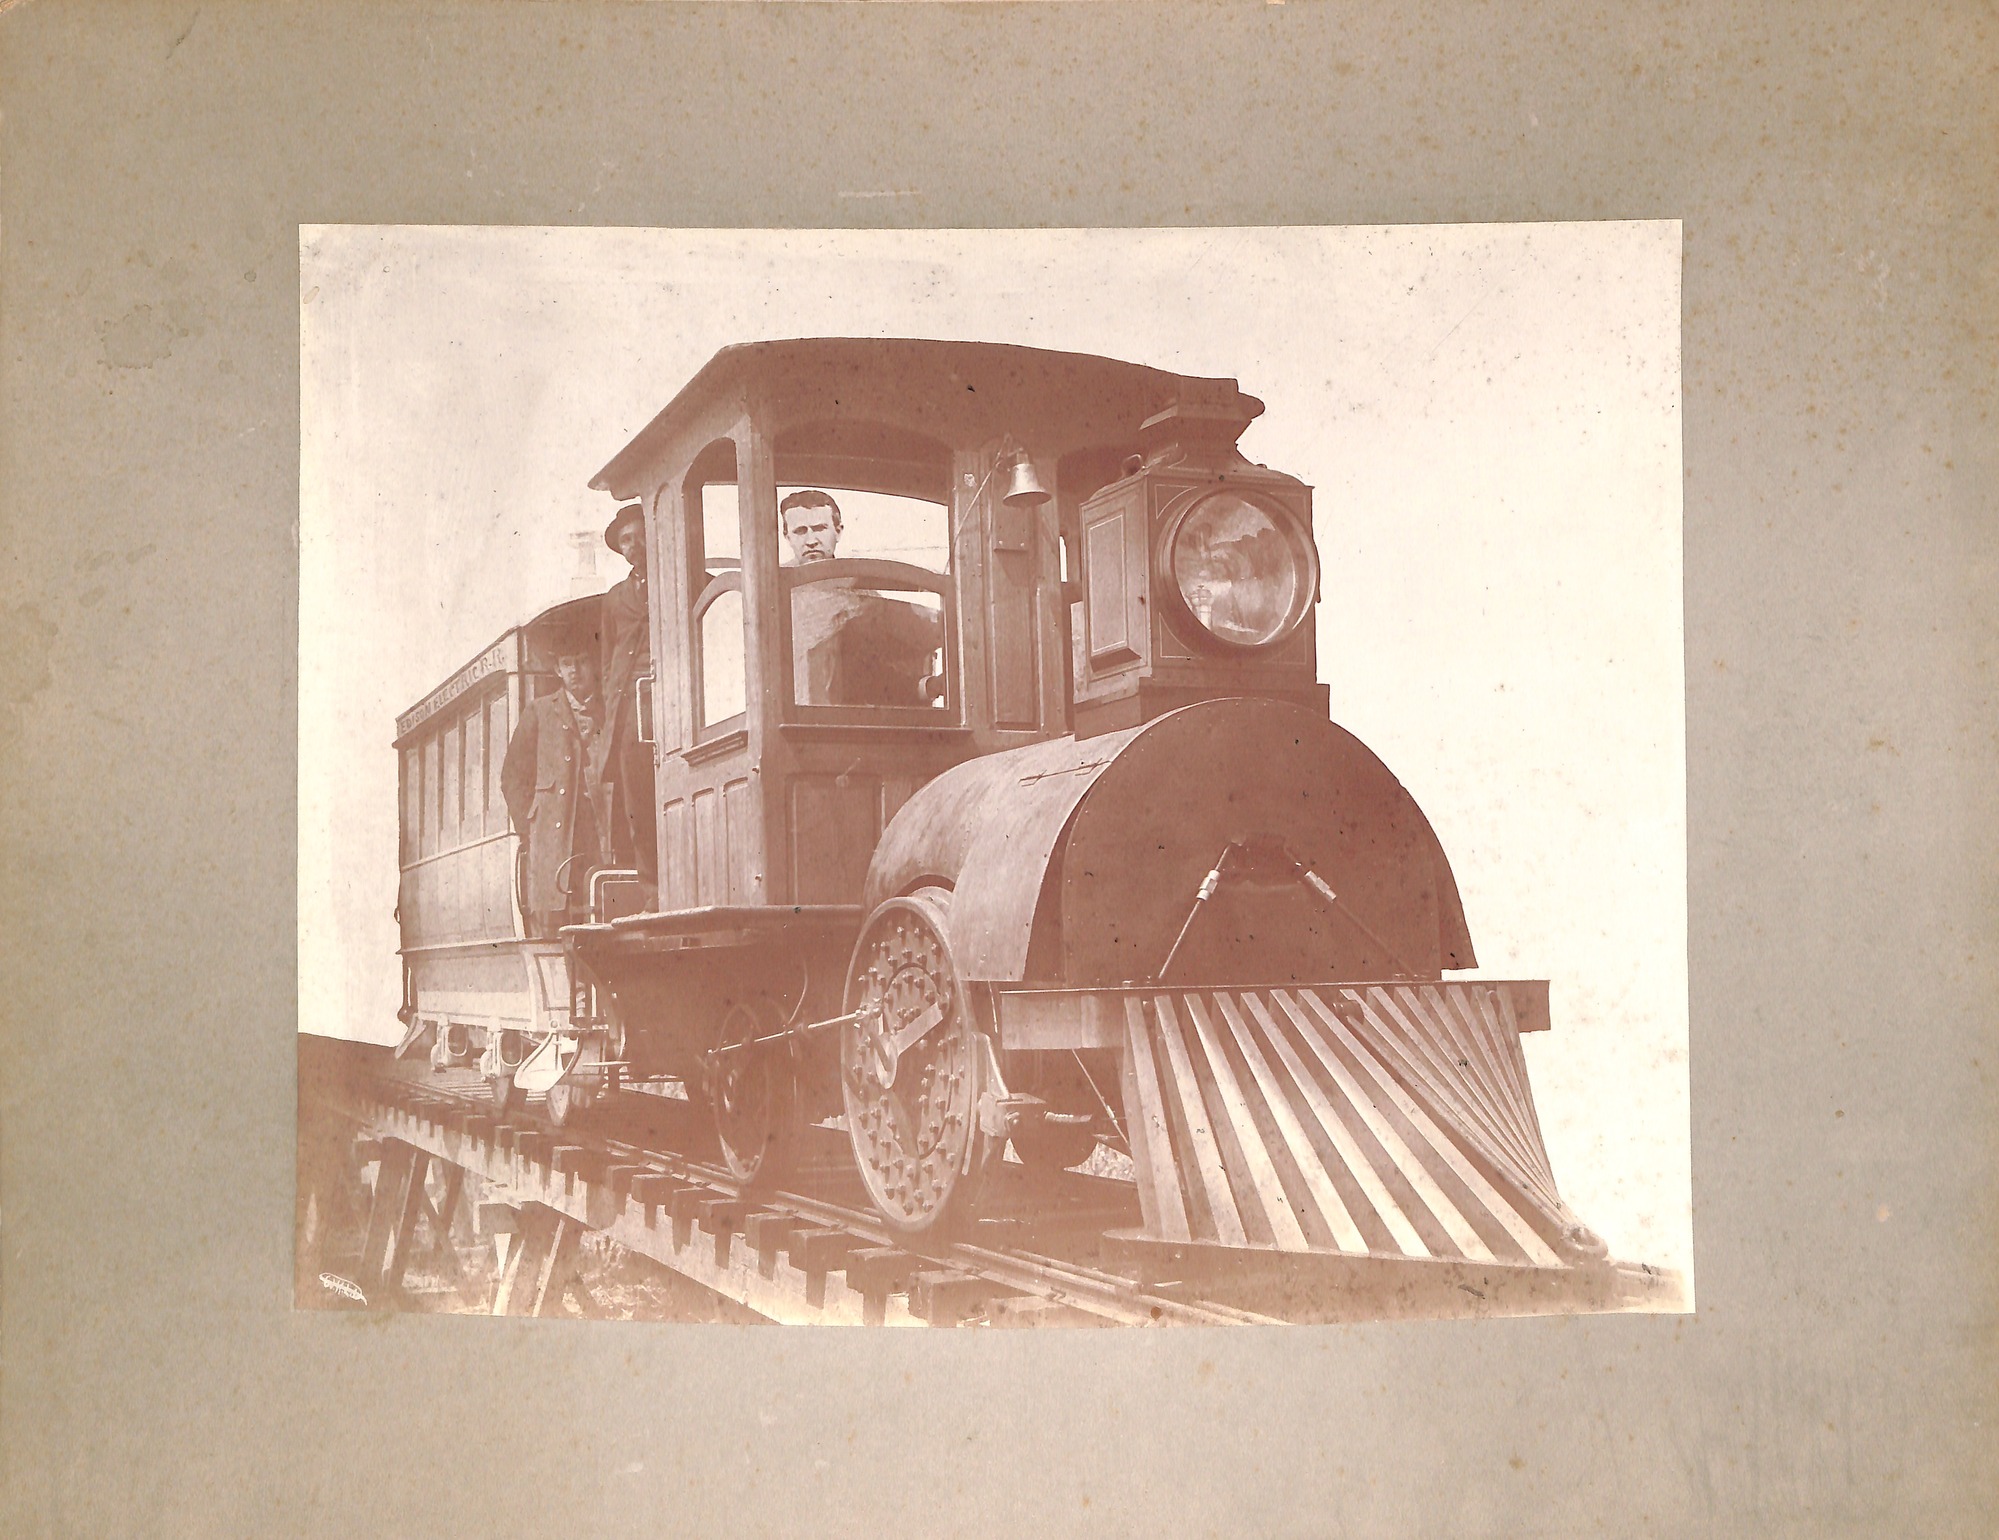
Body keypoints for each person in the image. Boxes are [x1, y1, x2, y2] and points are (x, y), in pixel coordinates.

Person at [780, 490, 943, 707]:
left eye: (820, 529)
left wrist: (929, 686)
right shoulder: (774, 589)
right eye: (801, 531)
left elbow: (876, 670)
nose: (811, 540)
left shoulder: (861, 588)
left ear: (838, 532)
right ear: (786, 536)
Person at [500, 648, 604, 938]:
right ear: (558, 669)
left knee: (600, 911)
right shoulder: (540, 711)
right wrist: (531, 829)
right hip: (554, 841)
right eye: (567, 662)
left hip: (596, 832)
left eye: (582, 661)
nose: (575, 671)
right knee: (559, 926)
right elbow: (512, 778)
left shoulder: (608, 709)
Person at [593, 503, 657, 889]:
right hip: (628, 711)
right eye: (626, 541)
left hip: (665, 700)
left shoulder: (682, 577)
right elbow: (607, 661)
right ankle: (652, 889)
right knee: (638, 803)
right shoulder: (614, 598)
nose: (634, 546)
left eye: (638, 536)